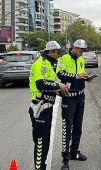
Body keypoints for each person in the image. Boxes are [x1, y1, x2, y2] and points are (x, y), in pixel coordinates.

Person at [29, 41, 69, 170]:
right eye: (57, 52)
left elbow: (49, 86)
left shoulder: (50, 64)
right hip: (40, 108)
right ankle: (39, 168)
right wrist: (58, 86)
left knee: (45, 141)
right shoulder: (42, 64)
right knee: (41, 142)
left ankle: (42, 166)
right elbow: (41, 84)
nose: (59, 55)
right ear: (51, 52)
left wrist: (60, 90)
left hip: (47, 107)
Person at [56, 39, 90, 170]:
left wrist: (86, 77)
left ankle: (74, 152)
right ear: (74, 48)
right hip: (68, 98)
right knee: (67, 129)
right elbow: (60, 74)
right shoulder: (63, 59)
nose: (82, 53)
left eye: (83, 51)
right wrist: (76, 76)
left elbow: (82, 74)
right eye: (80, 51)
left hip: (80, 96)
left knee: (78, 128)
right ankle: (65, 159)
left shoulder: (81, 59)